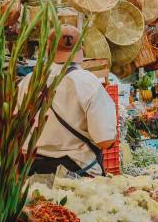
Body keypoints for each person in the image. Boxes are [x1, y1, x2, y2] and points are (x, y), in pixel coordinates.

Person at [18, 25, 117, 176]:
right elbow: (104, 141)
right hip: (78, 175)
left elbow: (16, 128)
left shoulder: (28, 81)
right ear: (81, 50)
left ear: (47, 49)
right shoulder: (89, 83)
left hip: (34, 173)